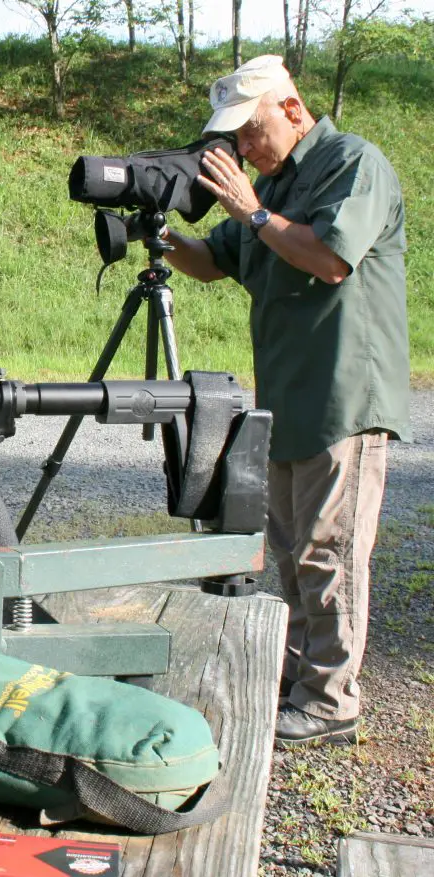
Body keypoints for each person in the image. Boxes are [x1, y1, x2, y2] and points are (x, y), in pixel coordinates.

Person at [160, 55, 411, 747]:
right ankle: (300, 678)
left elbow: (331, 257)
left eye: (249, 131)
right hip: (286, 397)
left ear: (294, 111)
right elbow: (216, 259)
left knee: (329, 550)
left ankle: (332, 700)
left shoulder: (351, 165)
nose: (241, 149)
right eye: (233, 137)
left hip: (343, 395)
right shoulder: (273, 185)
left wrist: (252, 206)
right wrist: (161, 237)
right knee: (291, 548)